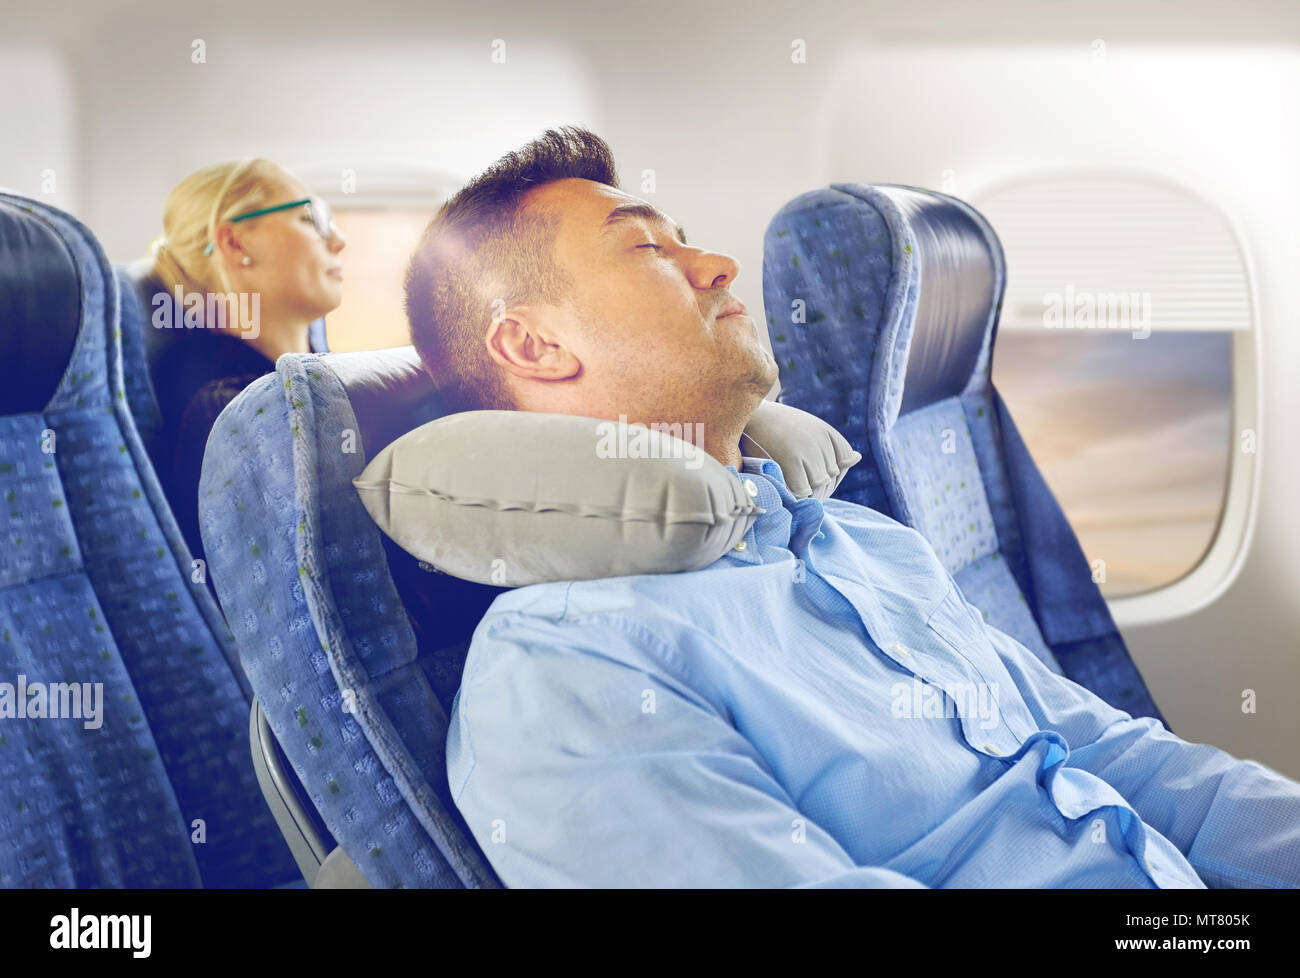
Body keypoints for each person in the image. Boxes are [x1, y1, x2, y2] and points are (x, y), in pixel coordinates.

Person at [403, 126, 1300, 888]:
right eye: (647, 248)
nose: (717, 265)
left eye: (690, 239)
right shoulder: (569, 671)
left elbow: (1120, 761)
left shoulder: (857, 544)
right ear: (532, 343)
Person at [141, 158, 346, 561]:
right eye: (310, 219)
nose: (338, 240)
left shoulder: (305, 378)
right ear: (236, 244)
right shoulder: (225, 404)